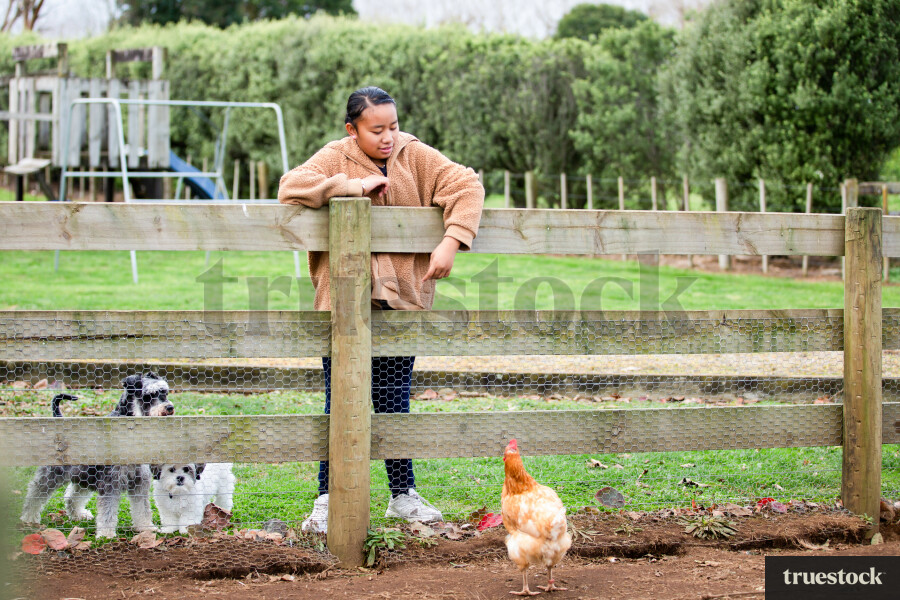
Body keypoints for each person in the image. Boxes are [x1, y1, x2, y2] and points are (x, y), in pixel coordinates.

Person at [278, 86, 484, 533]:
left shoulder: (415, 155)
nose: (388, 136)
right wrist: (351, 187)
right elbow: (291, 187)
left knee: (393, 403)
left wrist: (452, 239)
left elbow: (466, 184)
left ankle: (402, 495)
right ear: (352, 129)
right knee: (340, 402)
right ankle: (328, 499)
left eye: (393, 125)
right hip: (345, 306)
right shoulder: (336, 156)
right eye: (377, 129)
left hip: (400, 305)